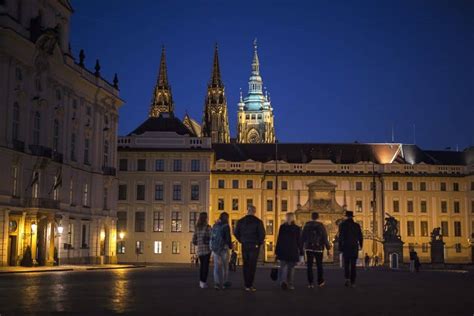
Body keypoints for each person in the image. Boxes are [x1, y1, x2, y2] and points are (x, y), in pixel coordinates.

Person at [234, 205, 265, 292]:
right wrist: (258, 243)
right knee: (252, 265)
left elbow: (236, 233)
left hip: (245, 244)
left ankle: (246, 284)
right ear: (254, 211)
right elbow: (262, 234)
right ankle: (250, 284)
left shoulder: (241, 221)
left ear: (247, 210)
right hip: (254, 245)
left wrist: (241, 240)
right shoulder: (258, 222)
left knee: (246, 264)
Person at [301, 212, 331, 288]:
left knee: (309, 265)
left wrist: (301, 247)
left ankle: (310, 283)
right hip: (319, 248)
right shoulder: (321, 225)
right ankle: (320, 281)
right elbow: (324, 237)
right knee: (319, 265)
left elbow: (302, 237)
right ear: (318, 217)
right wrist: (328, 247)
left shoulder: (307, 225)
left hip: (309, 247)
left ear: (311, 217)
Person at [275, 212, 303, 290]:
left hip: (283, 250)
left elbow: (279, 240)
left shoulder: (282, 227)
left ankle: (282, 282)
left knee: (282, 267)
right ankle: (289, 284)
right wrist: (301, 253)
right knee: (291, 269)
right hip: (292, 251)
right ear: (294, 218)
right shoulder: (297, 228)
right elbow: (299, 242)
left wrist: (276, 252)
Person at [338, 210, 363, 287]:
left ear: (346, 216)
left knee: (346, 264)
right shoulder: (356, 225)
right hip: (354, 247)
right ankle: (353, 282)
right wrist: (361, 245)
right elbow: (360, 237)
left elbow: (340, 237)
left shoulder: (342, 225)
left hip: (346, 247)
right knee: (353, 265)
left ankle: (347, 279)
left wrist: (340, 247)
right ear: (352, 217)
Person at [210, 212, 233, 290]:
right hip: (224, 249)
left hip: (216, 249)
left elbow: (212, 237)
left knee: (216, 267)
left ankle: (216, 284)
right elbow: (228, 238)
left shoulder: (215, 225)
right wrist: (230, 246)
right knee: (225, 267)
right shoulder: (226, 226)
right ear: (227, 218)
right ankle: (224, 283)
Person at [192, 212, 212, 289]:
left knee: (201, 266)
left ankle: (201, 282)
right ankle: (204, 282)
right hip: (207, 250)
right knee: (205, 267)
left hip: (200, 250)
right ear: (206, 218)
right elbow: (211, 238)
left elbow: (193, 240)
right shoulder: (208, 227)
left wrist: (199, 243)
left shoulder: (197, 228)